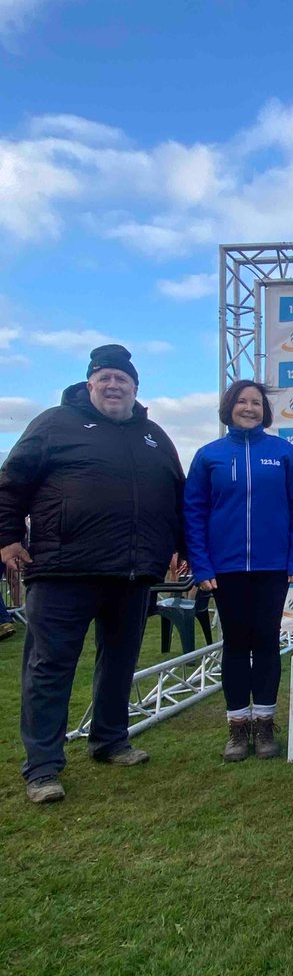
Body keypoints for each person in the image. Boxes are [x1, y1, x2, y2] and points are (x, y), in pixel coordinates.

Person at [0, 344, 184, 804]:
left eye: (122, 379)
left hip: (132, 575)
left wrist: (183, 548)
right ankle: (43, 767)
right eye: (104, 377)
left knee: (119, 663)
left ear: (135, 388)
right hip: (64, 572)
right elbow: (10, 485)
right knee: (49, 667)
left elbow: (178, 500)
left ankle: (110, 740)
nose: (113, 385)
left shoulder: (155, 436)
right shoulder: (53, 425)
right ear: (89, 384)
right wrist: (6, 538)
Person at [184, 381, 293, 761]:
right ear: (229, 407)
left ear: (265, 411)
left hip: (273, 567)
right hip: (226, 569)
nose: (249, 408)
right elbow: (194, 513)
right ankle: (238, 729)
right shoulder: (209, 456)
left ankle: (265, 725)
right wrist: (202, 564)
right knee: (237, 644)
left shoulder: (283, 453)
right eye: (242, 401)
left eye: (256, 402)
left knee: (267, 642)